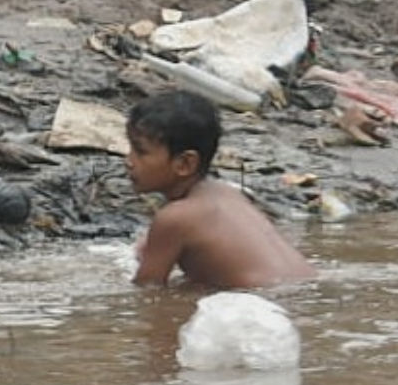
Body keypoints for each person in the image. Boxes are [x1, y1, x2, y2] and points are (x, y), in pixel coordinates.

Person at [127, 89, 317, 290]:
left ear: (185, 164)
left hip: (261, 301)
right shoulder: (228, 192)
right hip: (304, 286)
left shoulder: (174, 218)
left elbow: (148, 290)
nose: (128, 161)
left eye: (140, 152)